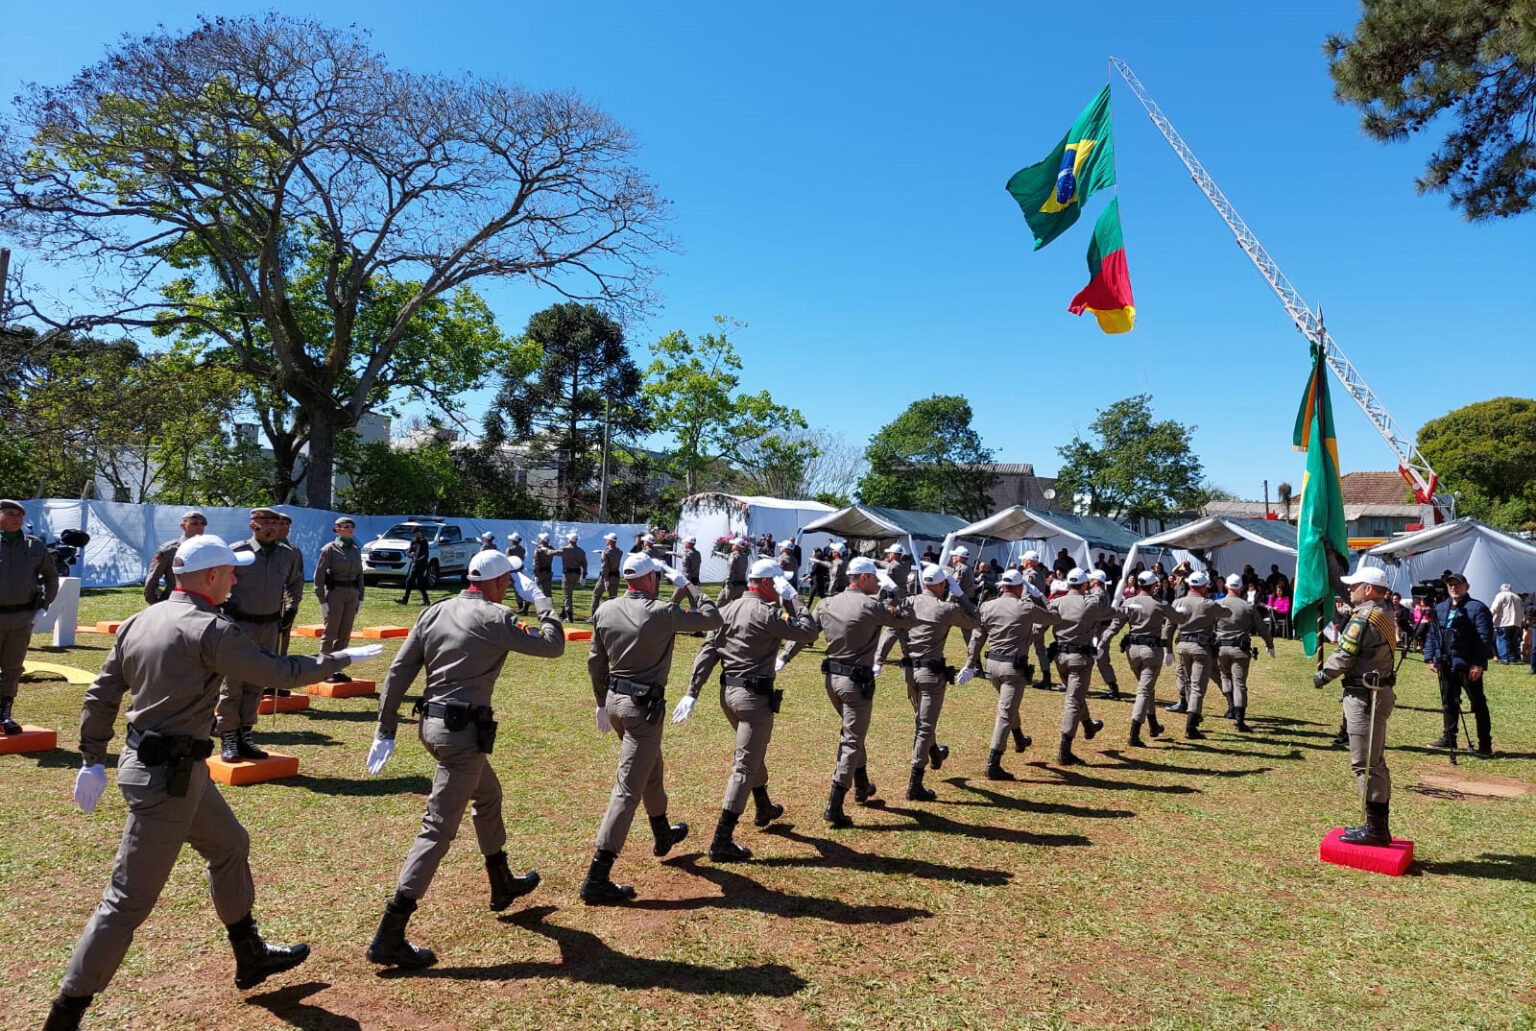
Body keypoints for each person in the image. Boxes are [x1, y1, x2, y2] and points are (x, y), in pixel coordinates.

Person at [46, 535, 369, 1031]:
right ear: (211, 576)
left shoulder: (142, 618)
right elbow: (277, 670)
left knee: (230, 846)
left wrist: (92, 757)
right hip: (168, 779)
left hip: (171, 767)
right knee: (126, 901)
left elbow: (102, 692)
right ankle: (65, 1013)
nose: (237, 579)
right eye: (231, 572)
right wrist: (338, 660)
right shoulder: (210, 629)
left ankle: (250, 952)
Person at [362, 549, 564, 969]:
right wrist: (543, 601)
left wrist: (386, 728)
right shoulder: (496, 617)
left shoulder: (435, 612)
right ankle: (391, 932)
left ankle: (501, 880)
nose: (509, 586)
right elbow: (553, 645)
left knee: (488, 796)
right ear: (498, 583)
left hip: (434, 729)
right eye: (507, 580)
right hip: (463, 737)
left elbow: (399, 672)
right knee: (436, 830)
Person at [581, 553, 722, 904]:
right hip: (643, 709)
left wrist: (601, 702)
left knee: (651, 770)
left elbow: (595, 662)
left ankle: (663, 833)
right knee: (628, 788)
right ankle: (597, 875)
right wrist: (687, 585)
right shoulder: (661, 612)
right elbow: (712, 617)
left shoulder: (605, 610)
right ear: (650, 579)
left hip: (615, 703)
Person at [680, 557, 818, 861]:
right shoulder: (767, 613)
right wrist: (793, 596)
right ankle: (722, 840)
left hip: (728, 694)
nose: (781, 588)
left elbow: (707, 652)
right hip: (753, 698)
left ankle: (764, 805)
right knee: (744, 765)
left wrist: (692, 692)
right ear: (768, 583)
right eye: (779, 582)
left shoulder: (726, 610)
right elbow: (809, 631)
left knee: (751, 754)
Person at [814, 557, 918, 827]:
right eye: (874, 577)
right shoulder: (873, 606)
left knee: (852, 733)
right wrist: (896, 592)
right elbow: (909, 619)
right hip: (855, 683)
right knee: (850, 740)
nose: (877, 582)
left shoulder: (827, 602)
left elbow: (808, 630)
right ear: (864, 578)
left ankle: (862, 786)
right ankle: (834, 804)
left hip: (832, 679)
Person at [1311, 566, 1400, 846]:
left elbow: (1344, 654)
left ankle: (1375, 831)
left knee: (1366, 765)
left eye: (1355, 586)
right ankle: (1377, 826)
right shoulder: (1382, 612)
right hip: (1378, 690)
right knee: (1376, 762)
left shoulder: (1364, 618)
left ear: (1369, 589)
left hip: (1364, 696)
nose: (1350, 589)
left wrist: (1322, 675)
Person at [878, 563, 981, 801]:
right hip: (931, 673)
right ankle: (915, 783)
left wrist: (879, 660)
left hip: (909, 671)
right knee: (924, 726)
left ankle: (934, 751)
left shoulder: (909, 603)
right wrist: (961, 595)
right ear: (942, 584)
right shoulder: (945, 608)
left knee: (921, 719)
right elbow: (976, 619)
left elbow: (892, 630)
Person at [214, 507, 304, 761]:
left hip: (270, 626)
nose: (273, 528)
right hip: (240, 624)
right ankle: (228, 734)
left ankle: (245, 733)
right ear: (253, 525)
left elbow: (295, 581)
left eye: (277, 524)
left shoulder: (287, 554)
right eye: (267, 523)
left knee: (257, 680)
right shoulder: (237, 551)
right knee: (233, 682)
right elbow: (219, 580)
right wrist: (224, 607)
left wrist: (291, 606)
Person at [963, 568, 1058, 779]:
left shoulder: (987, 606)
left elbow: (977, 638)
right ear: (1019, 587)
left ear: (1002, 586)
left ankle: (1019, 738)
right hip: (1013, 668)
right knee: (1005, 712)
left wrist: (970, 663)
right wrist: (1041, 596)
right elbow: (1054, 618)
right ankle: (993, 763)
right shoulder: (1026, 607)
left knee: (1008, 706)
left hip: (992, 666)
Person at [1100, 570, 1179, 746]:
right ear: (1153, 586)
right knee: (1144, 691)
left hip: (1132, 651)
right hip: (1151, 652)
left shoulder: (1128, 602)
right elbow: (1179, 618)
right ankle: (1134, 733)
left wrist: (1102, 643)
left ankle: (1153, 725)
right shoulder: (1160, 604)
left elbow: (1114, 626)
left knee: (1146, 687)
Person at [0, 499, 59, 735]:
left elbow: (51, 577)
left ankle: (4, 714)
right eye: (10, 513)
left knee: (13, 668)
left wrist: (44, 606)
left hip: (21, 617)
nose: (16, 518)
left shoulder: (35, 547)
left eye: (19, 515)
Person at [1423, 571, 1495, 755]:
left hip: (1468, 664)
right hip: (1445, 662)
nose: (1454, 588)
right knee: (1448, 701)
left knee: (1478, 703)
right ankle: (1449, 737)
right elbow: (1432, 634)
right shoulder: (1440, 608)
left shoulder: (1477, 608)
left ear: (1467, 586)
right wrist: (1430, 656)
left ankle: (1485, 744)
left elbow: (1484, 638)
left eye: (1457, 584)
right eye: (1450, 585)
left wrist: (1478, 664)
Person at [1047, 568, 1113, 765]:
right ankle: (1065, 750)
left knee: (1075, 695)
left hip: (1059, 657)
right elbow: (1107, 611)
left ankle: (1088, 725)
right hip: (1079, 658)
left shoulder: (1057, 602)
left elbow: (1042, 622)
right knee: (1073, 701)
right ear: (1085, 584)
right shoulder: (1089, 603)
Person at [1214, 573, 1275, 733]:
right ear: (1241, 587)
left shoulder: (1218, 604)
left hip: (1221, 648)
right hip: (1240, 649)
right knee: (1239, 683)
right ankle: (1240, 721)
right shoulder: (1247, 606)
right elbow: (1262, 628)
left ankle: (1230, 707)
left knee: (1225, 676)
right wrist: (1270, 644)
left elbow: (1210, 626)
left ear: (1227, 586)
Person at [1166, 570, 1220, 739]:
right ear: (1203, 587)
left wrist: (1167, 650)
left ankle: (1193, 713)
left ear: (1190, 585)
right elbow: (1227, 613)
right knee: (1197, 686)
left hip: (1182, 646)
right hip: (1200, 647)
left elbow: (1168, 628)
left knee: (1188, 682)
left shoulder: (1178, 602)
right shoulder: (1208, 604)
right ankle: (1191, 726)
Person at [313, 516, 365, 682]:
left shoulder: (356, 549)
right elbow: (319, 575)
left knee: (345, 633)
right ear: (337, 529)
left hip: (352, 593)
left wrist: (361, 596)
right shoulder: (330, 549)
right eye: (345, 526)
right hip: (335, 593)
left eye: (351, 526)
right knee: (330, 632)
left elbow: (360, 574)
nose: (349, 529)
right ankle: (324, 668)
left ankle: (337, 668)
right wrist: (322, 600)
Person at [142, 509, 208, 604]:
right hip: (175, 603)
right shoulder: (170, 550)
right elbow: (152, 581)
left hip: (202, 604)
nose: (200, 527)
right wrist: (157, 604)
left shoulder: (207, 550)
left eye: (203, 524)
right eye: (194, 523)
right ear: (182, 526)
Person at [1086, 569, 1122, 699]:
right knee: (1102, 659)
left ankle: (1112, 688)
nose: (1089, 581)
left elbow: (1095, 613)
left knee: (1091, 658)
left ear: (1096, 581)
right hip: (1101, 629)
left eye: (1091, 579)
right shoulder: (1104, 593)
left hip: (1097, 630)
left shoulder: (1097, 594)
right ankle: (1113, 687)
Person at [274, 513, 301, 656]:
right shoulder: (266, 546)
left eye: (288, 524)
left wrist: (292, 606)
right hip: (263, 601)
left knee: (283, 638)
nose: (285, 527)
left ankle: (280, 671)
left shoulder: (294, 550)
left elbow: (297, 580)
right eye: (281, 523)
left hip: (284, 601)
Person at [589, 532, 624, 619]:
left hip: (606, 577)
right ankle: (613, 617)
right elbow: (613, 553)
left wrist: (605, 579)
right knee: (613, 598)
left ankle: (594, 616)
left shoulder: (606, 552)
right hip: (615, 576)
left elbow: (605, 567)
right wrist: (602, 552)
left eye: (607, 540)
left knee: (596, 596)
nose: (606, 541)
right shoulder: (619, 552)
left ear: (609, 541)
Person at [1490, 582, 1526, 664]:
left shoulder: (1500, 595)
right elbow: (1522, 611)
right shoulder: (1517, 597)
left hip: (1504, 622)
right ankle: (1512, 658)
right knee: (1512, 641)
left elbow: (1495, 607)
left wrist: (1489, 616)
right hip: (1516, 623)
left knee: (1502, 640)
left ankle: (1504, 658)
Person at [397, 526, 432, 606]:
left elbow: (425, 555)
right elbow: (408, 552)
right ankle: (425, 601)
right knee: (416, 582)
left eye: (416, 534)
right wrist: (410, 554)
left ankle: (406, 600)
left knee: (413, 581)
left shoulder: (424, 542)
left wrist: (416, 560)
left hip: (421, 564)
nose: (415, 536)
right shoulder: (413, 542)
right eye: (414, 535)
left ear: (419, 533)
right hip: (415, 564)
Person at [558, 532, 587, 623]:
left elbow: (554, 553)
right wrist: (584, 575)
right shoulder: (581, 551)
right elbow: (584, 564)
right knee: (568, 594)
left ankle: (569, 617)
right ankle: (563, 614)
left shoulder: (566, 549)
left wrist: (544, 550)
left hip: (568, 575)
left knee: (567, 595)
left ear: (570, 540)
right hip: (576, 574)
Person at [720, 537, 750, 605]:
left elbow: (730, 573)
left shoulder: (733, 556)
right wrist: (724, 555)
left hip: (732, 586)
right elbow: (736, 558)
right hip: (742, 586)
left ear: (737, 546)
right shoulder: (745, 557)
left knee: (719, 605)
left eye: (733, 544)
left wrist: (727, 587)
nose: (732, 546)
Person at [506, 533, 528, 613]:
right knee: (520, 588)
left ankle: (520, 606)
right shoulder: (522, 549)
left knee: (516, 589)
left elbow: (508, 561)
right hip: (520, 570)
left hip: (512, 571)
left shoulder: (510, 549)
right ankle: (523, 606)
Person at [532, 533, 556, 602]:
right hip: (548, 572)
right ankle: (549, 607)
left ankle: (526, 608)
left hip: (539, 573)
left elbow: (536, 563)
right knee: (547, 592)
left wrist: (536, 575)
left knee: (533, 590)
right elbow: (547, 549)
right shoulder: (551, 549)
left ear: (542, 540)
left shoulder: (538, 550)